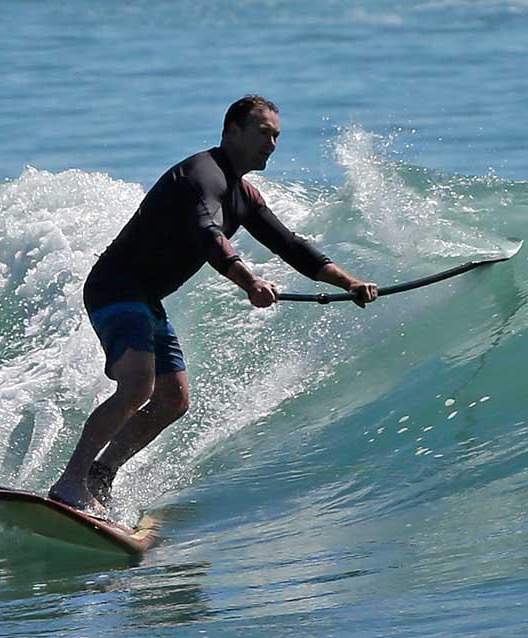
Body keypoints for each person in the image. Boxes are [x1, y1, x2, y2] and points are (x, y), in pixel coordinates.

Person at [48, 95, 378, 513]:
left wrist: (350, 283)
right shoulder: (202, 174)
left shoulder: (244, 195)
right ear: (231, 131)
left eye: (277, 136)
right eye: (263, 133)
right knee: (137, 386)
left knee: (174, 400)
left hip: (146, 298)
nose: (272, 144)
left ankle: (101, 474)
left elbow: (292, 247)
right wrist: (249, 281)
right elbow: (209, 234)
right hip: (115, 288)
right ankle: (70, 481)